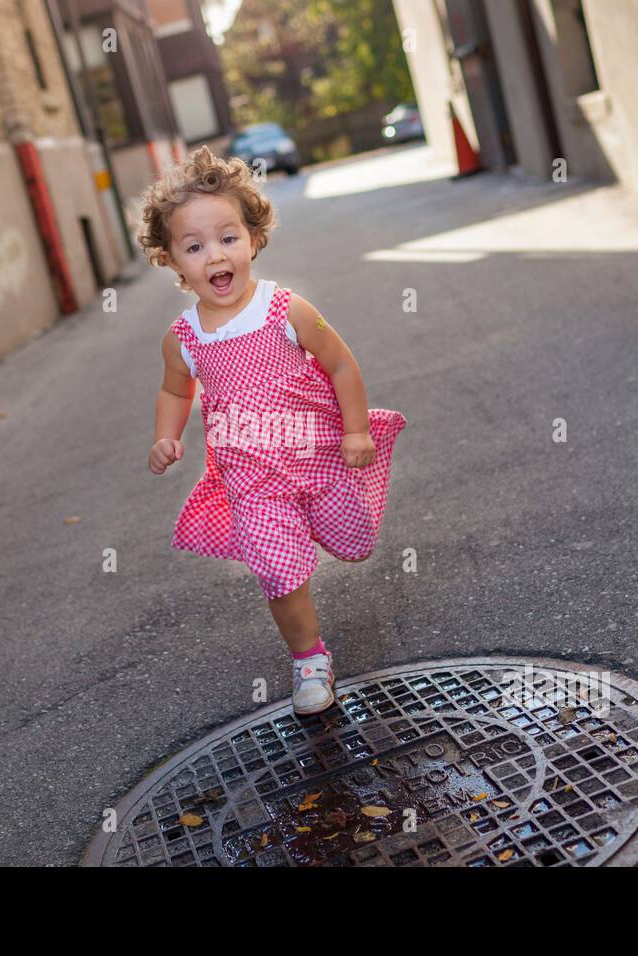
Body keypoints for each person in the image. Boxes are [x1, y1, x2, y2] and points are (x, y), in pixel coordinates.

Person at [141, 145, 407, 716]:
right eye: (195, 246)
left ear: (253, 238)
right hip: (251, 478)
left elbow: (340, 363)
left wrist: (356, 432)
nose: (216, 254)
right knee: (279, 573)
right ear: (172, 261)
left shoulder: (287, 309)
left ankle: (322, 525)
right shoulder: (183, 338)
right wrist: (168, 436)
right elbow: (175, 390)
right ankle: (310, 660)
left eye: (228, 238)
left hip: (317, 455)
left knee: (353, 544)